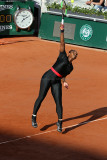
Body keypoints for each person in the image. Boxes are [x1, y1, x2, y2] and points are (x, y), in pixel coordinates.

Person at [32, 15, 78, 133]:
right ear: (69, 53)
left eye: (76, 54)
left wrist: (64, 82)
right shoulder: (62, 55)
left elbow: (63, 75)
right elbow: (62, 41)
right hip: (47, 77)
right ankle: (33, 117)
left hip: (56, 81)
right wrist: (61, 30)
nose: (75, 54)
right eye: (74, 52)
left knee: (59, 102)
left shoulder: (71, 67)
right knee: (41, 97)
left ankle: (60, 123)